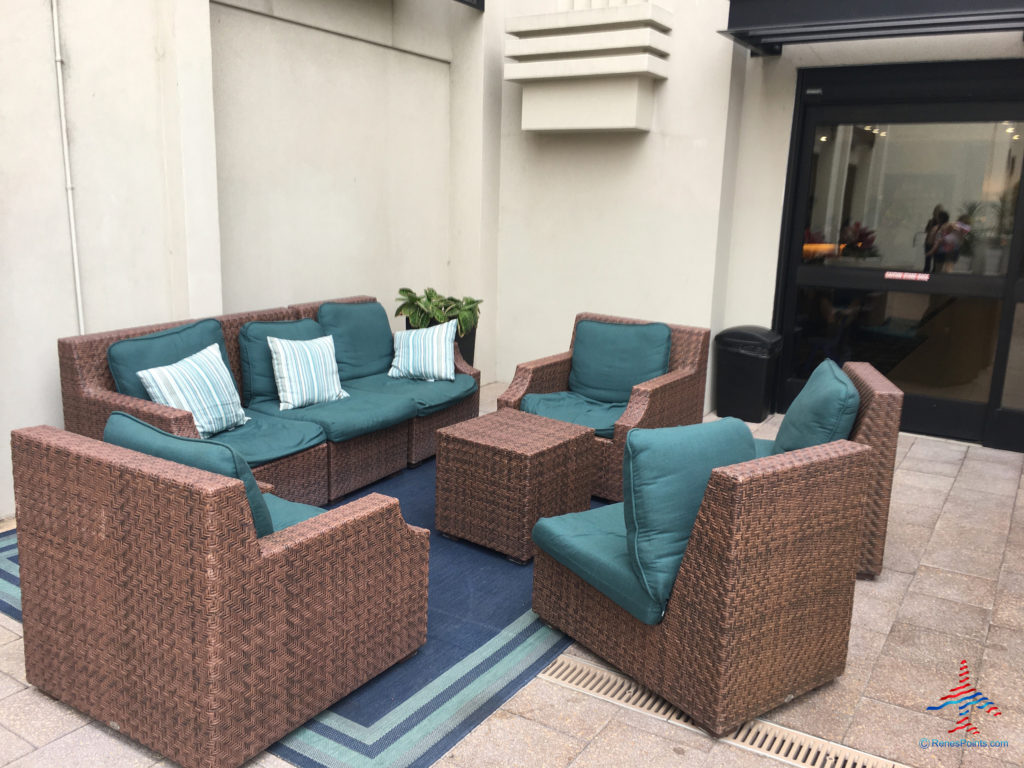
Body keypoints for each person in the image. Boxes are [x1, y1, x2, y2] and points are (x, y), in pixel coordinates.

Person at [923, 204, 946, 272]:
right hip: (929, 242)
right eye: (937, 211)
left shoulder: (943, 223)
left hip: (937, 243)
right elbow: (926, 230)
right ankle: (927, 274)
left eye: (940, 211)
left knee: (935, 260)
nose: (938, 213)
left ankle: (933, 274)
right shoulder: (931, 221)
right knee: (928, 260)